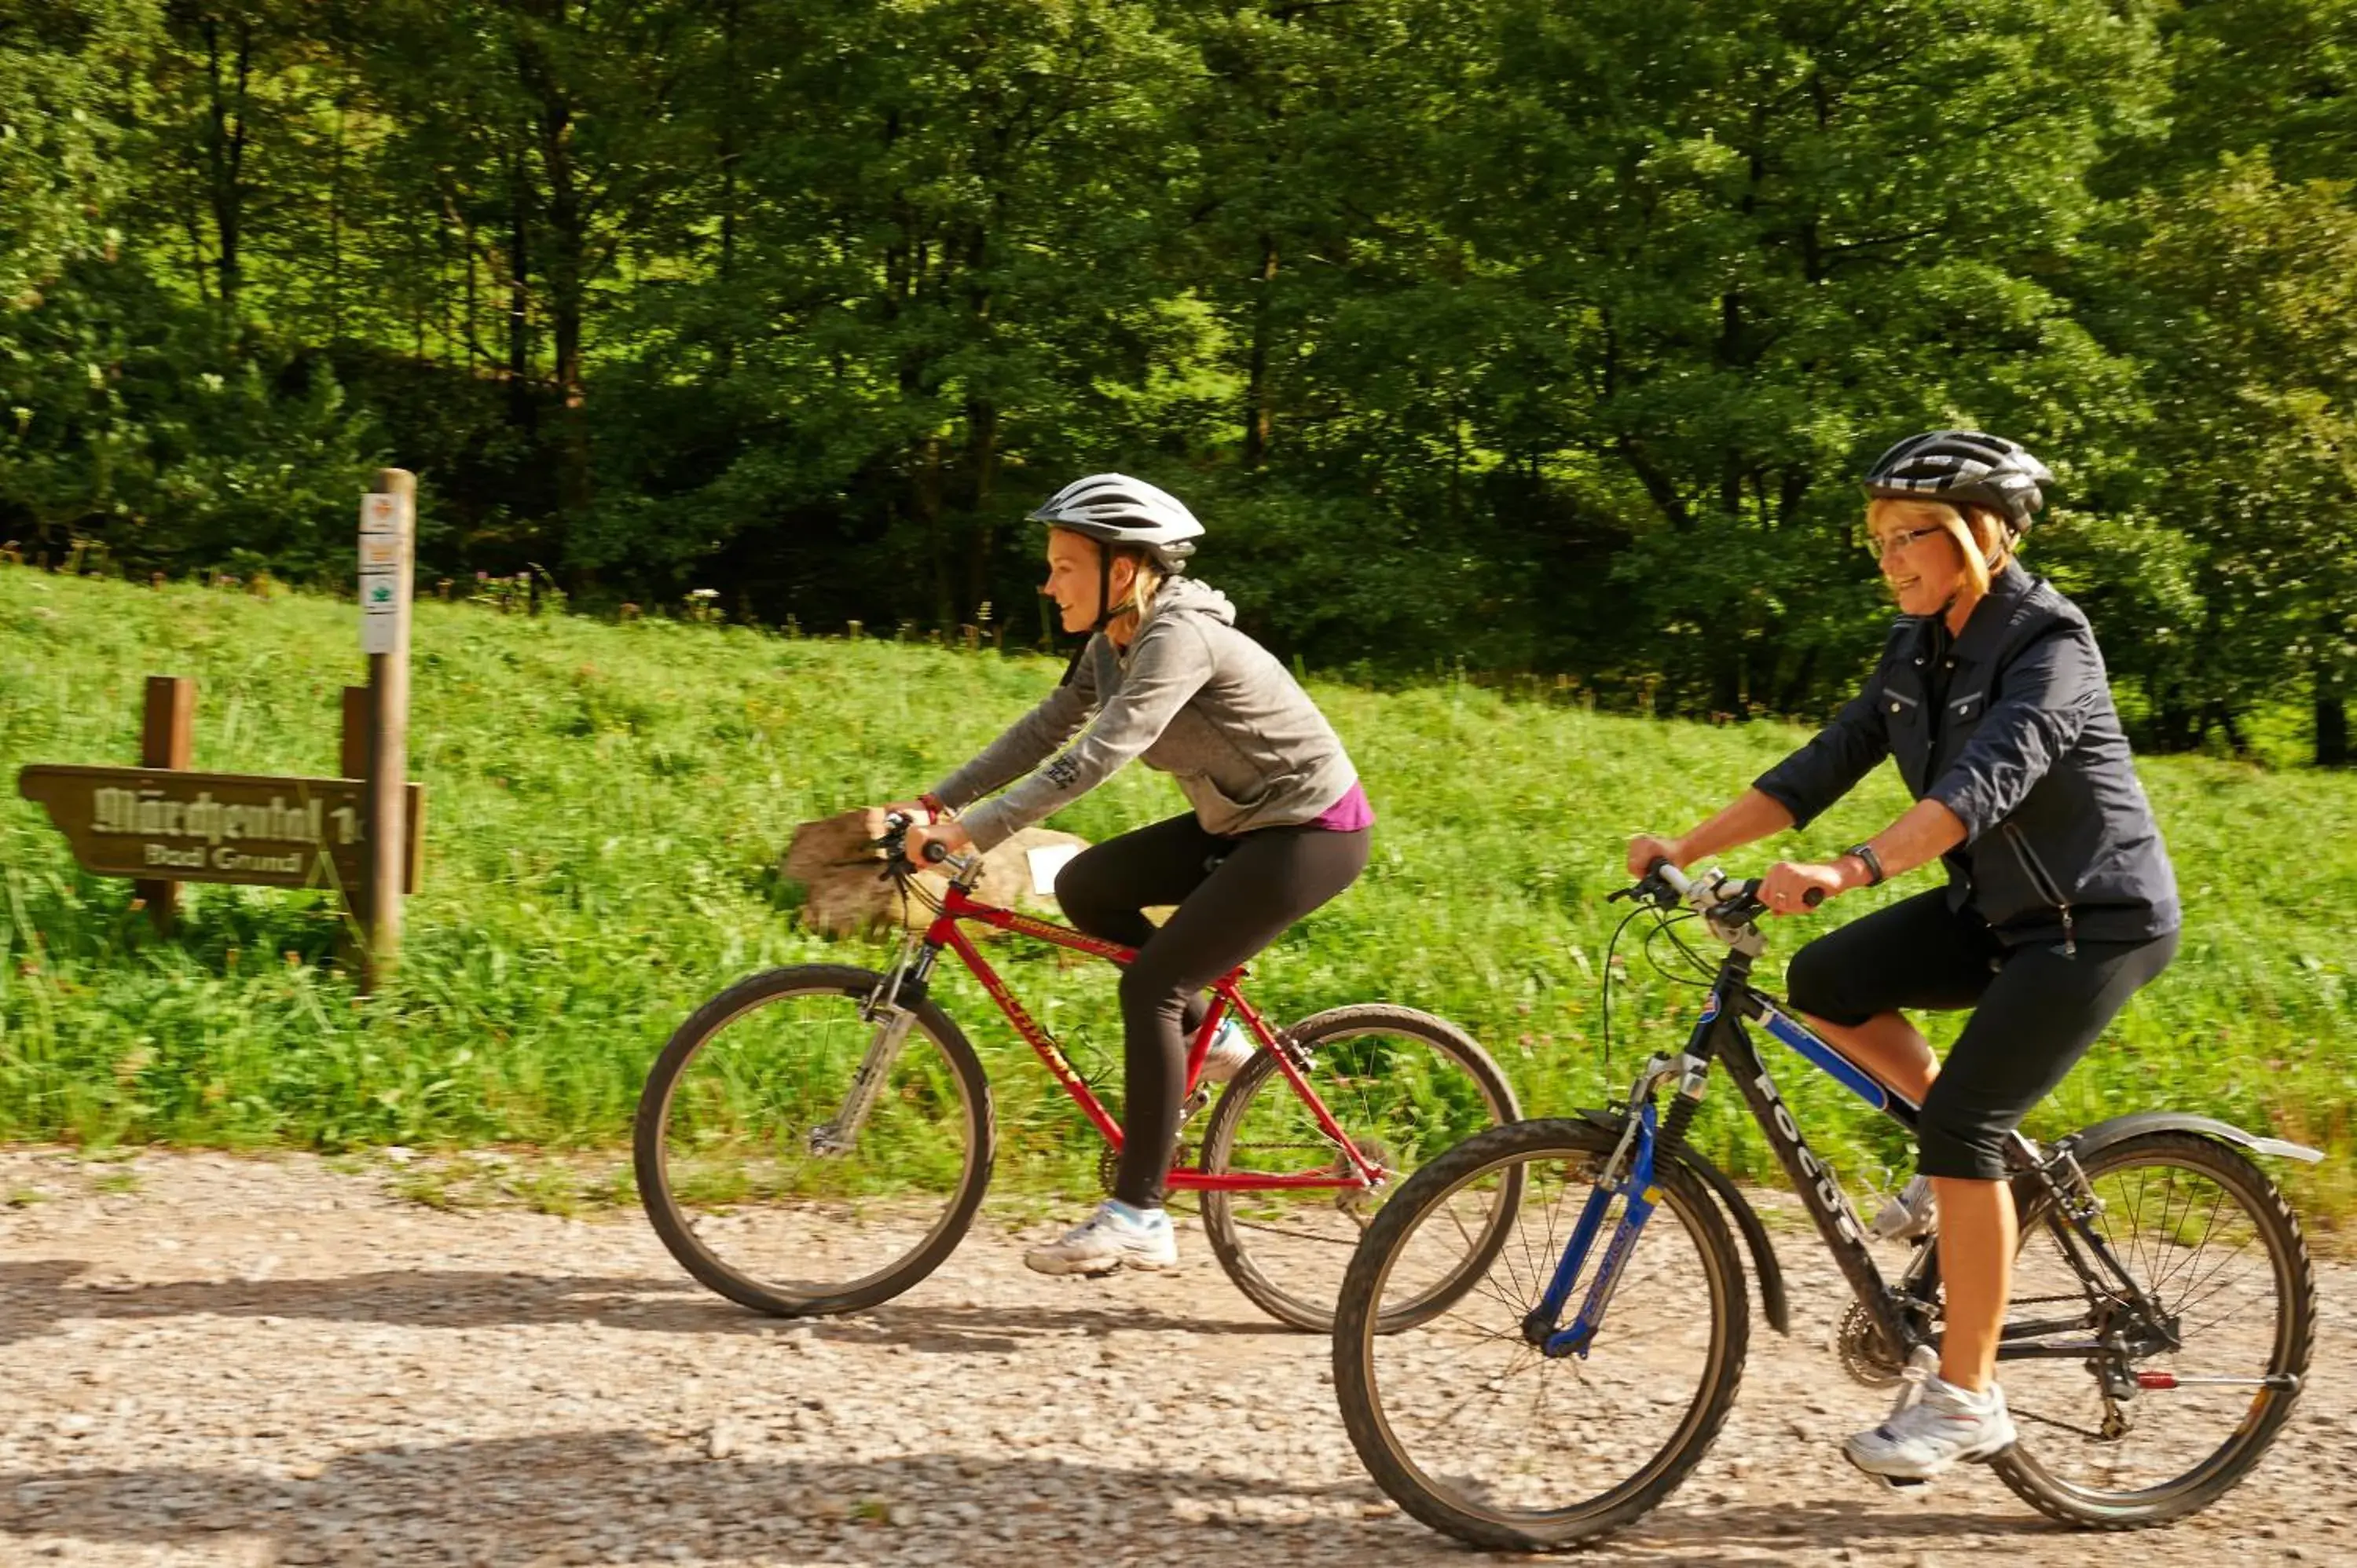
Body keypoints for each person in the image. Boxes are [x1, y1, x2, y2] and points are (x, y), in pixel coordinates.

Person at [1625, 430, 2180, 1482]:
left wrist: (1853, 869)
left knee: (1967, 1129)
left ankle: (1969, 1398)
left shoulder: (2049, 644)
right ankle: (1963, 1166)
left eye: (1908, 536)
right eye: (1876, 537)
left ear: (1981, 535)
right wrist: (1685, 847)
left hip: (2093, 923)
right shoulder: (1915, 645)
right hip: (1999, 912)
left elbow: (1979, 790)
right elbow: (1824, 761)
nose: (1888, 557)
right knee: (1826, 982)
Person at [876, 474, 1375, 1276]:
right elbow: (1046, 728)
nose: (1046, 583)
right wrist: (936, 799)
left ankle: (1139, 1214)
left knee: (1151, 988)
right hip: (1243, 824)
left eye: (1064, 565)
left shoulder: (1178, 638)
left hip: (1312, 830)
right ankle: (1217, 1041)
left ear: (1125, 569)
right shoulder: (1113, 643)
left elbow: (1095, 759)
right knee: (1086, 886)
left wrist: (966, 834)